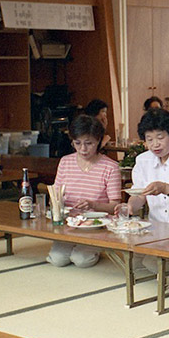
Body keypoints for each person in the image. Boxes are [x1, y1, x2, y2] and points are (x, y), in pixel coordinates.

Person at [47, 114, 122, 268]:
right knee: (57, 259)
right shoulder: (65, 162)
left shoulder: (111, 167)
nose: (83, 149)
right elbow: (55, 195)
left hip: (97, 225)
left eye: (89, 143)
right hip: (70, 223)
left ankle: (98, 247)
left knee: (81, 260)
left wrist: (93, 205)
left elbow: (115, 206)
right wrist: (56, 202)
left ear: (99, 141)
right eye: (77, 143)